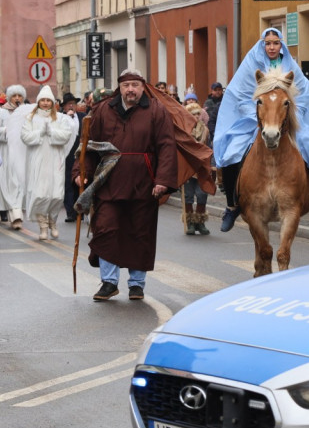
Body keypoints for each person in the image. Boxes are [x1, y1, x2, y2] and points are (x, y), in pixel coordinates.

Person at [214, 28, 309, 232]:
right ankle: (231, 206)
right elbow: (239, 94)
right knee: (232, 153)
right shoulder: (251, 64)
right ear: (262, 45)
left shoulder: (289, 65)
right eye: (268, 43)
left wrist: (291, 114)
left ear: (281, 45)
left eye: (275, 43)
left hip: (285, 120)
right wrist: (259, 114)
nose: (272, 47)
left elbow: (305, 93)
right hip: (255, 118)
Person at [73, 69, 177, 302]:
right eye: (126, 85)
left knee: (140, 233)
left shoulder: (156, 111)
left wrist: (162, 180)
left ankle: (137, 284)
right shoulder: (102, 111)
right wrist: (81, 173)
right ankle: (109, 282)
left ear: (142, 87)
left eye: (135, 85)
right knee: (106, 229)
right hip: (109, 181)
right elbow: (86, 146)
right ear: (119, 87)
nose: (130, 89)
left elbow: (167, 146)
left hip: (144, 182)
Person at [21, 86, 76, 240]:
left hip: (55, 160)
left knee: (56, 195)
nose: (45, 103)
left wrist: (51, 132)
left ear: (53, 102)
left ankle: (53, 221)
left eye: (48, 100)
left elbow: (66, 136)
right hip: (37, 161)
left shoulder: (60, 118)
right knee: (40, 194)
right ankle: (43, 226)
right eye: (43, 100)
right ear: (38, 102)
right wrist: (40, 132)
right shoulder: (30, 119)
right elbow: (25, 137)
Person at [0, 85, 29, 230]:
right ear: (9, 97)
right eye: (14, 95)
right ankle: (15, 214)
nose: (17, 98)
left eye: (19, 95)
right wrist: (7, 130)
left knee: (19, 183)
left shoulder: (27, 112)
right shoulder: (2, 113)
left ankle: (16, 214)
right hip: (6, 152)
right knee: (9, 183)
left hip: (22, 153)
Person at [182, 92, 211, 235]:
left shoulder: (205, 131)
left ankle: (200, 222)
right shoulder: (183, 132)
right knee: (188, 196)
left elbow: (209, 148)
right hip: (188, 167)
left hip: (201, 167)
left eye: (197, 114)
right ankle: (190, 223)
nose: (195, 117)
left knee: (202, 194)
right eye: (192, 114)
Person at [61, 92, 83, 223]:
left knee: (80, 183)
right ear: (64, 107)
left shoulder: (83, 116)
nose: (71, 106)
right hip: (67, 156)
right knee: (68, 184)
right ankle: (70, 212)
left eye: (73, 104)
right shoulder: (60, 118)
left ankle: (81, 210)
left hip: (81, 155)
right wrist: (67, 119)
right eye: (68, 104)